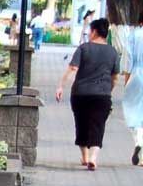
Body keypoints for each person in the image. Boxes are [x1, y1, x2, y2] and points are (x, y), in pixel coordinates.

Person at [55, 18, 121, 171]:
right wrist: (109, 90)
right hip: (102, 96)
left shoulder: (84, 48)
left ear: (95, 32)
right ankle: (93, 158)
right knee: (98, 125)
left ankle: (84, 156)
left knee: (82, 123)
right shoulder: (113, 52)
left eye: (90, 31)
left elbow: (73, 69)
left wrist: (61, 86)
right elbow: (115, 77)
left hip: (80, 94)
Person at [122, 12, 143, 166]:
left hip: (137, 75)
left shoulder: (134, 35)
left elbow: (128, 59)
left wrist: (126, 81)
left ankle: (139, 141)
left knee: (133, 112)